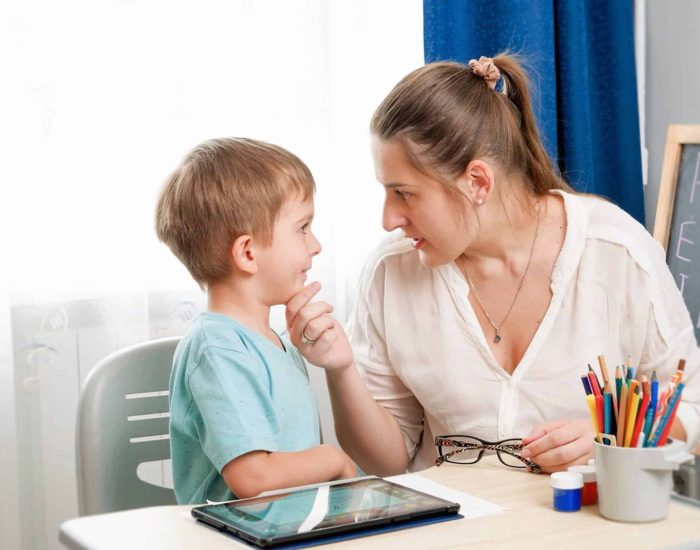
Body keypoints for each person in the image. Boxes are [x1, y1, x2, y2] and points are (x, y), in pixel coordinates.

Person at [286, 54, 700, 475]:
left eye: (404, 193)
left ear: (477, 182)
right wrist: (340, 370)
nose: (388, 219)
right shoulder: (391, 272)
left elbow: (692, 407)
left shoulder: (617, 251)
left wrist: (610, 436)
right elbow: (387, 462)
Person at [155, 137, 355, 504]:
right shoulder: (216, 349)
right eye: (303, 228)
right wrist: (333, 459)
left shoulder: (275, 342)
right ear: (248, 252)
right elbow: (253, 478)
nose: (316, 245)